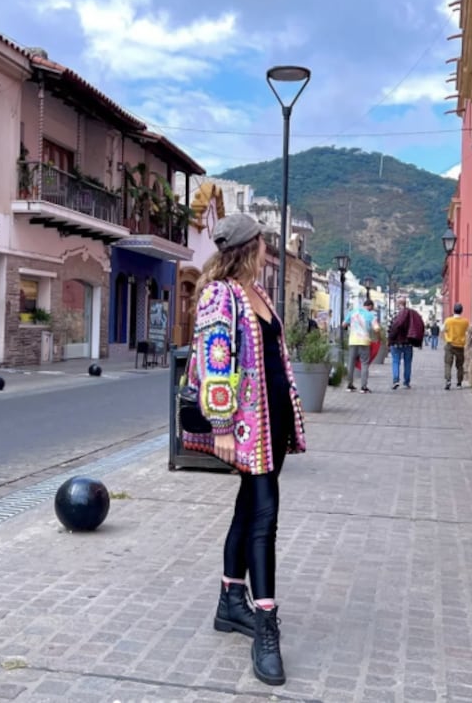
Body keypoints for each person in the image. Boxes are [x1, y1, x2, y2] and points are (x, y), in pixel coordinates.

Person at [181, 212, 306, 688]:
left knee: (248, 507)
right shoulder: (220, 293)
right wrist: (223, 425)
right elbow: (216, 358)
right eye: (262, 243)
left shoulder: (257, 292)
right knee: (264, 516)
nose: (267, 250)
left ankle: (231, 602)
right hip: (245, 424)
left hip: (269, 421)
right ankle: (266, 627)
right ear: (249, 246)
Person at [343, 296, 379, 392]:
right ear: (370, 306)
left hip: (353, 341)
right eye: (371, 308)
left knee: (351, 363)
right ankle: (363, 387)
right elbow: (376, 328)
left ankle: (349, 385)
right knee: (364, 363)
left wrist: (351, 325)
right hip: (364, 341)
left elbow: (344, 324)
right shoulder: (371, 315)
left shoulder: (352, 312)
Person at [388, 297, 424, 390]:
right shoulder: (412, 314)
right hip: (408, 342)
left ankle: (396, 380)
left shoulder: (396, 315)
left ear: (398, 304)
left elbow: (393, 327)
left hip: (396, 342)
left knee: (396, 361)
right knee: (407, 363)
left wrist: (390, 340)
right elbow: (420, 324)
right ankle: (406, 382)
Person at [443, 303, 470, 389]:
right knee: (460, 365)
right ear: (461, 311)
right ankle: (459, 383)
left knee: (448, 363)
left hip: (450, 344)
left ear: (453, 310)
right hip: (460, 345)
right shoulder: (465, 322)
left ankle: (448, 380)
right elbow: (467, 331)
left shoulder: (448, 321)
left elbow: (443, 329)